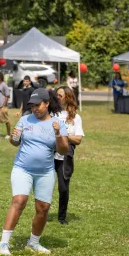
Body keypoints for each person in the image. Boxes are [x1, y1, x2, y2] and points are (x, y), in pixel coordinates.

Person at [0, 88, 68, 256]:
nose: (34, 109)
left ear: (47, 103)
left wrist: (57, 133)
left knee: (43, 208)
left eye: (38, 105)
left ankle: (33, 243)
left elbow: (63, 150)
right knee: (19, 201)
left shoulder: (58, 124)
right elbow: (15, 143)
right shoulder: (25, 120)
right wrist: (14, 138)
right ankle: (3, 244)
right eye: (32, 106)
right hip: (23, 168)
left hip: (45, 172)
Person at [54, 86, 84, 225]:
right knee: (43, 185)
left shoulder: (75, 118)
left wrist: (63, 134)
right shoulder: (52, 113)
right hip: (50, 154)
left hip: (65, 157)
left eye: (60, 95)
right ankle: (41, 211)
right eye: (57, 95)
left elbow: (78, 139)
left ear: (68, 97)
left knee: (63, 187)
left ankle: (61, 216)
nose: (58, 97)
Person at [0, 71, 12, 139]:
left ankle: (8, 134)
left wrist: (4, 105)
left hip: (2, 106)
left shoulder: (4, 85)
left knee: (6, 120)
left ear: (1, 77)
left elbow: (7, 96)